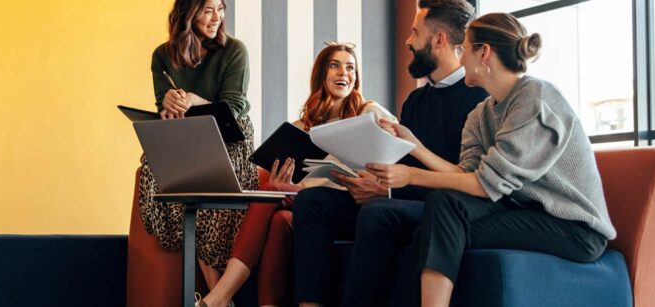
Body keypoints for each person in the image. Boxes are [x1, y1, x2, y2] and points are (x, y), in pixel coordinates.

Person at [366, 12, 616, 307]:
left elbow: (485, 185)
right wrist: (414, 145)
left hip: (573, 227)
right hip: (525, 212)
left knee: (439, 225)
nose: (459, 60)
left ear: (484, 52)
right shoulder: (481, 114)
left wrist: (411, 175)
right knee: (438, 216)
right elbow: (465, 174)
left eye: (465, 49)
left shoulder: (534, 99)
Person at [291, 1, 488, 306]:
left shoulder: (479, 100)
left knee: (377, 213)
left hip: (442, 207)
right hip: (403, 195)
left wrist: (387, 193)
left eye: (415, 32)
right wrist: (367, 180)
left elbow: (465, 182)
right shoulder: (415, 101)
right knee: (312, 202)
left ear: (439, 40)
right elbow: (402, 163)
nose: (408, 41)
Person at [202, 42, 397, 307]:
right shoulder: (302, 126)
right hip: (308, 202)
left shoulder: (369, 112)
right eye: (335, 65)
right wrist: (285, 183)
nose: (344, 73)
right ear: (321, 74)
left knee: (270, 193)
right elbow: (300, 181)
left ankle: (220, 296)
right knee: (280, 219)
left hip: (350, 201)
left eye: (350, 68)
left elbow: (399, 148)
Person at [138, 1, 256, 306]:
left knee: (205, 187)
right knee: (154, 169)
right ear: (188, 13)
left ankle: (215, 299)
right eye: (207, 9)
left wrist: (193, 100)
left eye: (221, 8)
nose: (217, 17)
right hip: (187, 139)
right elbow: (162, 108)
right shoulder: (162, 56)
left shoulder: (234, 50)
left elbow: (234, 108)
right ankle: (221, 301)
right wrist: (169, 106)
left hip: (231, 140)